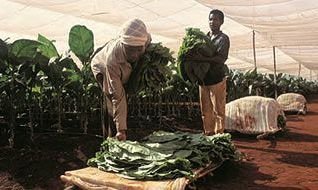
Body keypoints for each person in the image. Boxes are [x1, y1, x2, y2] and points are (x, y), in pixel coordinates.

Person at [91, 18, 151, 141]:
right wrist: (121, 130)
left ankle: (120, 127)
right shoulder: (112, 61)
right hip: (102, 68)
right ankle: (112, 137)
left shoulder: (145, 39)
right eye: (130, 49)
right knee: (111, 99)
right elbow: (117, 96)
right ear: (123, 44)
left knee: (124, 95)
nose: (134, 55)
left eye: (138, 50)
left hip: (124, 68)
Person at [199, 9, 230, 135]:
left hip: (217, 79)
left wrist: (202, 59)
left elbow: (221, 59)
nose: (212, 22)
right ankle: (209, 133)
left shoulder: (223, 39)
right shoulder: (204, 38)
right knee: (205, 110)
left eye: (216, 19)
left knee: (219, 110)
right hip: (203, 80)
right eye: (210, 19)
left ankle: (219, 135)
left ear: (221, 22)